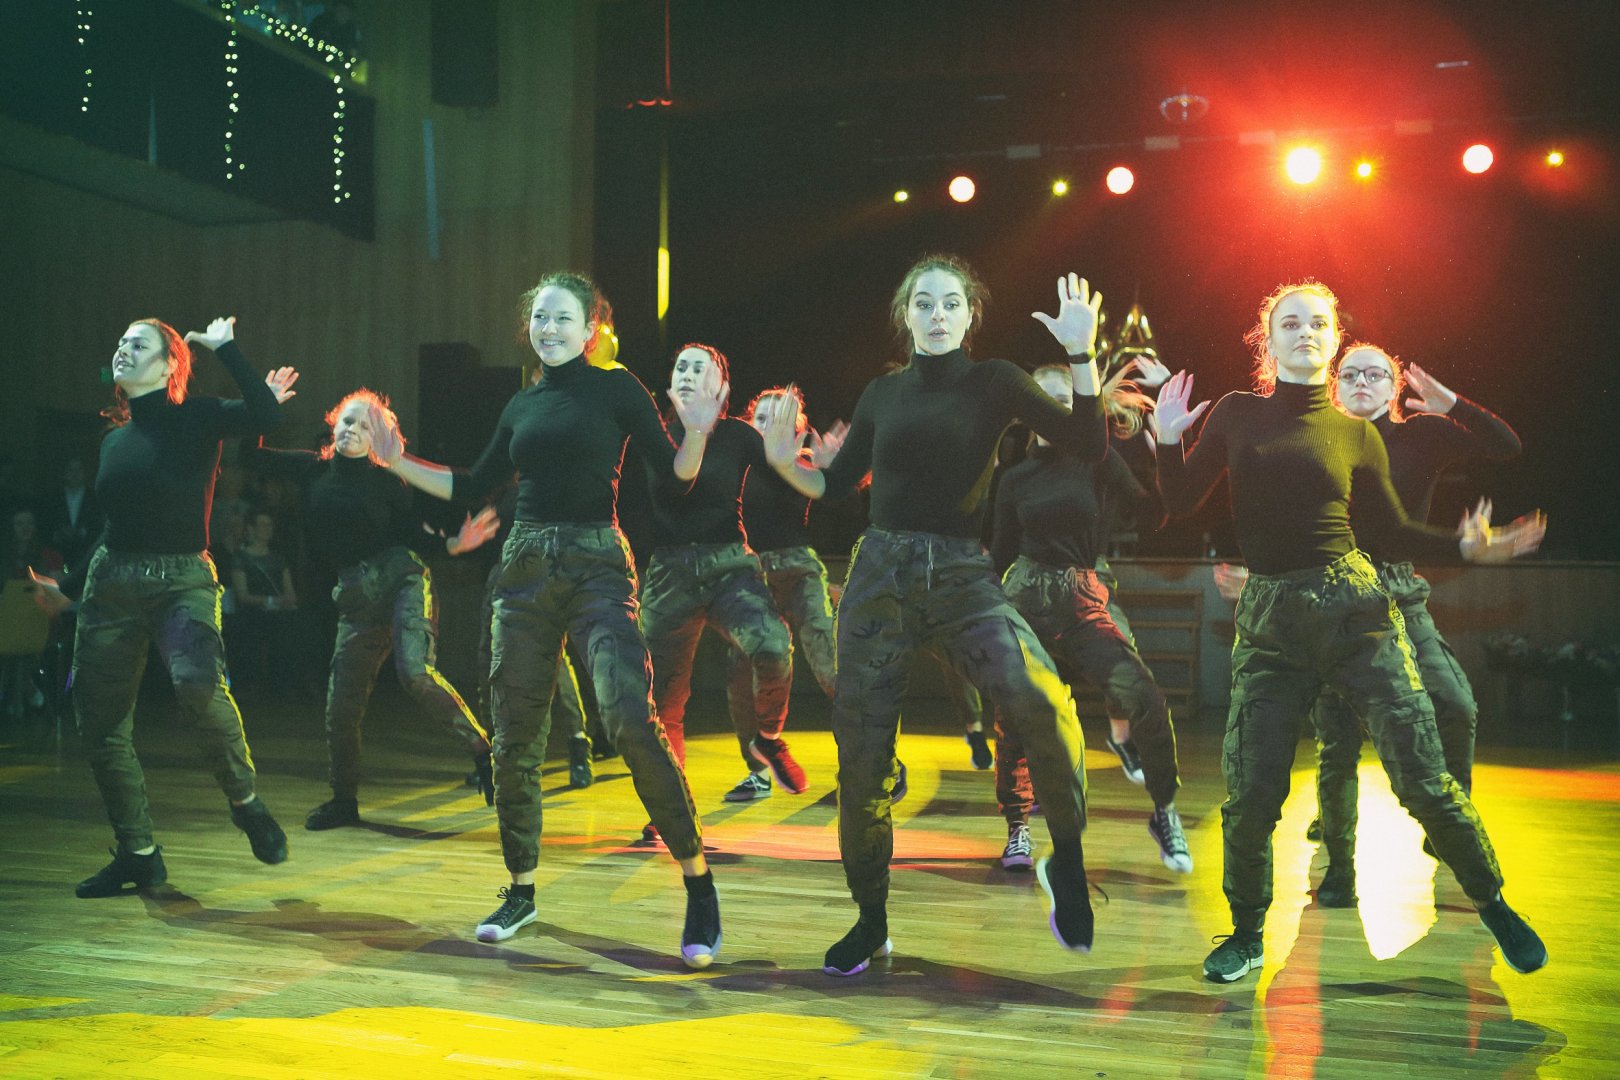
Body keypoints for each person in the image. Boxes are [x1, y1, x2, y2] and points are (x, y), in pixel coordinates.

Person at [1152, 281, 1548, 982]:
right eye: (1290, 323)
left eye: (1317, 323)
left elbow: (1391, 530)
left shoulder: (1357, 434)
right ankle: (1246, 933)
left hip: (1355, 615)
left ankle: (1492, 902)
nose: (1305, 331)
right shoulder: (1238, 413)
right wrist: (1164, 440)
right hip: (1271, 624)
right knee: (1252, 792)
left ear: (1332, 340)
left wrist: (1465, 548)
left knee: (1422, 774)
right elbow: (1180, 502)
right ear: (1269, 342)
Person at [760, 257, 1109, 974]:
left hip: (960, 575)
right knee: (862, 763)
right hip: (880, 576)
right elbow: (835, 485)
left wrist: (1081, 354)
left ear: (970, 316)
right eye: (925, 303)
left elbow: (1089, 442)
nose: (938, 314)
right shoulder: (883, 392)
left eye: (951, 303)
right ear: (906, 315)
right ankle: (871, 921)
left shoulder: (997, 381)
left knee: (1045, 700)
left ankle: (1067, 861)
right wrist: (781, 459)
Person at [385, 272, 729, 968]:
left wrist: (696, 432)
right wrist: (397, 461)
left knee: (627, 717)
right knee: (514, 736)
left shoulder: (617, 388)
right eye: (539, 317)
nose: (548, 328)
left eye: (562, 317)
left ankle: (697, 879)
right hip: (523, 572)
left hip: (597, 563)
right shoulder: (522, 403)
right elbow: (469, 483)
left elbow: (677, 476)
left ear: (591, 327)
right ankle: (519, 889)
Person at [32, 316, 291, 897]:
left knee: (198, 686)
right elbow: (112, 528)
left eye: (138, 343)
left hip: (183, 581)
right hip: (113, 585)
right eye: (121, 342)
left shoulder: (198, 417)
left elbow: (267, 416)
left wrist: (228, 349)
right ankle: (139, 854)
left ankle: (246, 803)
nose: (123, 349)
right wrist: (69, 586)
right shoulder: (114, 440)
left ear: (171, 363)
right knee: (100, 724)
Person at [1305, 345, 1524, 905]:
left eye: (1375, 374)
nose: (1362, 381)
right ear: (1335, 386)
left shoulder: (1420, 436)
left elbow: (1507, 447)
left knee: (1456, 705)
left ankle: (1449, 825)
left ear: (1394, 388)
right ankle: (1339, 871)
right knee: (1338, 739)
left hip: (1399, 592)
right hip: (1332, 598)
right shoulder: (1318, 441)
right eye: (1350, 374)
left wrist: (1454, 405)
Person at [240, 388, 502, 830]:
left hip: (402, 579)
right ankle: (344, 800)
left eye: (365, 426)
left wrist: (454, 545)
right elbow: (251, 456)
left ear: (377, 438)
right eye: (348, 421)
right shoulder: (311, 469)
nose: (354, 430)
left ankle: (483, 752)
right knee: (341, 704)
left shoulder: (388, 482)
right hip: (356, 597)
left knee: (414, 672)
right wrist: (262, 405)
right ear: (334, 425)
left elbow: (410, 534)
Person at [988, 363, 1187, 875]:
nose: (1051, 410)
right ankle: (1017, 826)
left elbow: (1153, 515)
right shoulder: (1013, 477)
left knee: (1143, 695)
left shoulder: (1097, 461)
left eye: (1063, 400)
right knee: (1016, 715)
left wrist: (1164, 448)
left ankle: (1164, 810)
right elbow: (1001, 551)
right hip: (1025, 594)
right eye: (1040, 400)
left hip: (1083, 596)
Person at [637, 344, 799, 827]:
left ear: (721, 387)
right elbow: (671, 488)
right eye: (680, 367)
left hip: (729, 564)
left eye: (698, 368)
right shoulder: (656, 434)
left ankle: (767, 739)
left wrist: (802, 461)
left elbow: (783, 481)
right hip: (669, 573)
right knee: (663, 699)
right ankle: (671, 809)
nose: (687, 374)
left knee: (773, 646)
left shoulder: (737, 435)